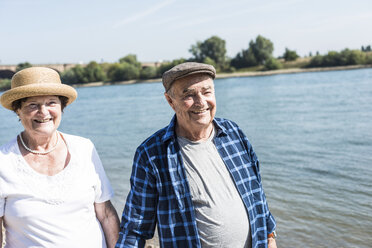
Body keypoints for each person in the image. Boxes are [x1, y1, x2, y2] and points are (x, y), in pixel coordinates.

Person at [116, 62, 277, 248]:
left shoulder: (234, 133)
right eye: (189, 95)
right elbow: (134, 229)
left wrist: (270, 237)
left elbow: (257, 194)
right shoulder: (151, 154)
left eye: (207, 92)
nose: (201, 102)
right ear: (170, 101)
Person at [0, 67, 120, 248]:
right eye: (32, 104)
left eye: (51, 103)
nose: (43, 112)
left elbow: (106, 213)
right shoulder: (3, 161)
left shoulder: (84, 148)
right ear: (18, 110)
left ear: (62, 107)